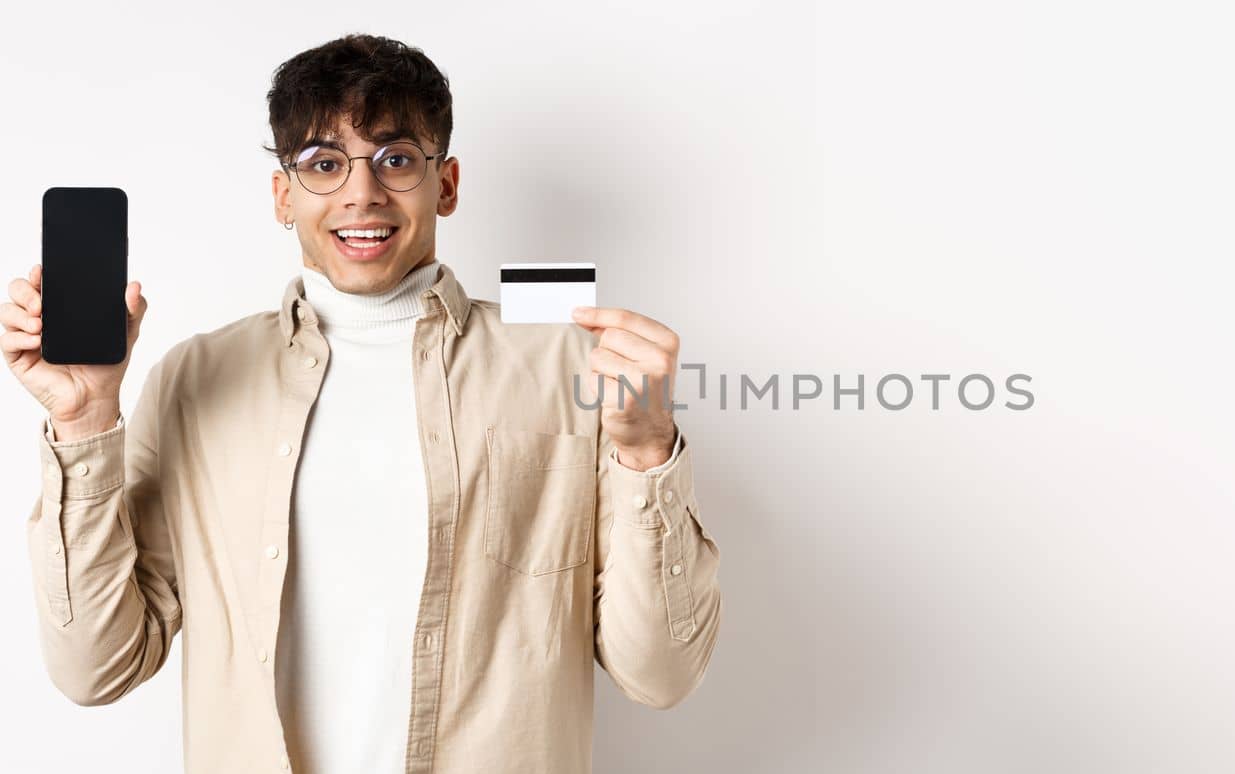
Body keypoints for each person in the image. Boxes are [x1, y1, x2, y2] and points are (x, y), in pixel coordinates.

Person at [0, 33, 721, 774]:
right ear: (284, 196)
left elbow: (660, 674)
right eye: (323, 164)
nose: (362, 193)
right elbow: (97, 669)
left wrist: (646, 453)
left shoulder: (571, 365)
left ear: (446, 184)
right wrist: (85, 420)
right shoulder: (196, 377)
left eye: (397, 159)